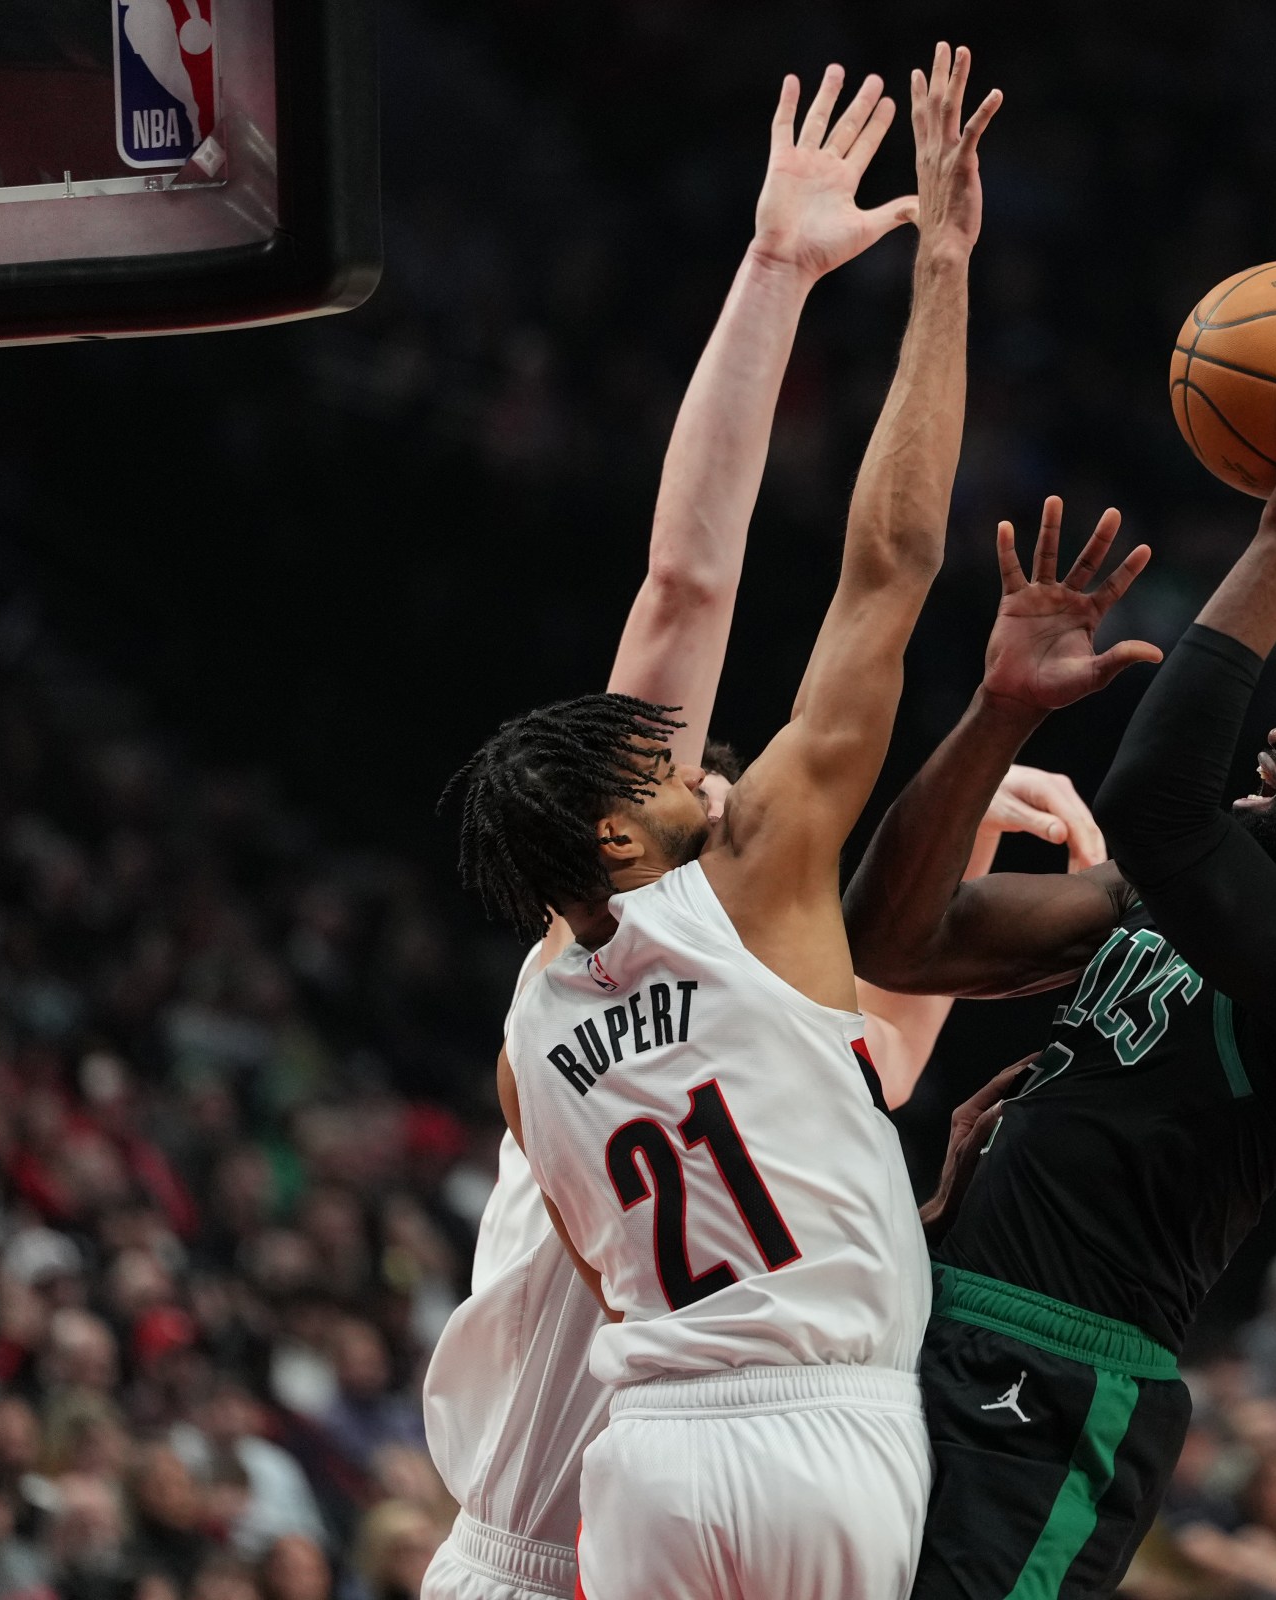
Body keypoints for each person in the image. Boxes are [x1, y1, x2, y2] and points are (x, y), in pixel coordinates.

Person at [417, 62, 1091, 1600]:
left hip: (613, 1488)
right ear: (609, 835)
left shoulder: (530, 1040)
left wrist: (964, 823)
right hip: (682, 1484)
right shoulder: (743, 883)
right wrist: (889, 271)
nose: (715, 781)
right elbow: (738, 584)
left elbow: (856, 1070)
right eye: (682, 778)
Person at [845, 363, 1276, 1597]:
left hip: (1059, 1378)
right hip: (921, 1316)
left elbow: (1151, 802)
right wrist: (995, 714)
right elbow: (893, 937)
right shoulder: (1150, 900)